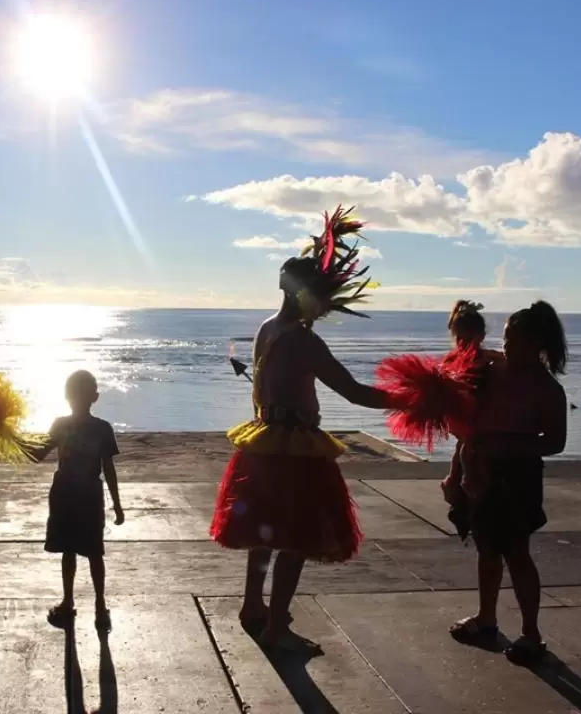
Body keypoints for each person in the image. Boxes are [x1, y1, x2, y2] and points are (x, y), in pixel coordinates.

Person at [210, 205, 395, 650]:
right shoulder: (305, 341)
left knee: (263, 532)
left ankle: (253, 606)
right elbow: (353, 393)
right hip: (294, 448)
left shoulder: (266, 328)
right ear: (308, 296)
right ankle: (276, 628)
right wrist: (408, 398)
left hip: (262, 442)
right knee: (295, 536)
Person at [449, 300, 568, 665]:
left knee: (517, 554)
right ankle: (487, 617)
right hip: (480, 472)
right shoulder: (493, 370)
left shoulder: (547, 389)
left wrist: (507, 443)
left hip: (519, 477)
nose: (506, 347)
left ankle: (531, 633)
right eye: (505, 339)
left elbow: (555, 442)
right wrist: (456, 471)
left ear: (538, 346)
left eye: (515, 341)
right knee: (486, 550)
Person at [31, 370, 124, 632]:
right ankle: (99, 606)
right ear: (95, 397)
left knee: (68, 551)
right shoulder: (102, 427)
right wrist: (117, 503)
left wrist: (9, 439)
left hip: (64, 494)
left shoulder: (60, 424)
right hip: (90, 496)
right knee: (95, 552)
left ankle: (68, 601)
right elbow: (109, 468)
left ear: (65, 396)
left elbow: (37, 455)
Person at [439, 300, 501, 537]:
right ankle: (465, 508)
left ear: (481, 335)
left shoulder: (494, 361)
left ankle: (469, 508)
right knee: (463, 465)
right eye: (459, 339)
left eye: (467, 338)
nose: (463, 344)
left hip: (485, 433)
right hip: (467, 433)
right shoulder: (450, 363)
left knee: (472, 473)